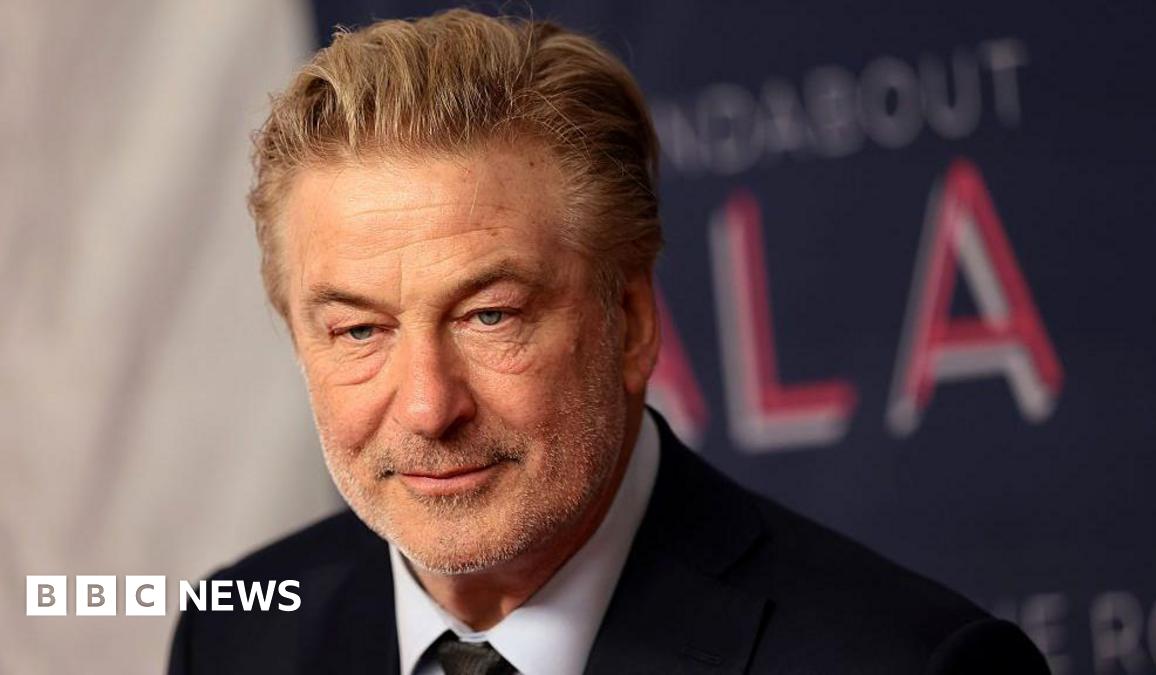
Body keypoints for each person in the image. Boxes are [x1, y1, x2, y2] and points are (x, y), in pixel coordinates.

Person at [168, 9, 1050, 674]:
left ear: (628, 321)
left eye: (491, 315)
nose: (430, 405)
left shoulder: (909, 664)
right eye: (360, 329)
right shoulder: (235, 635)